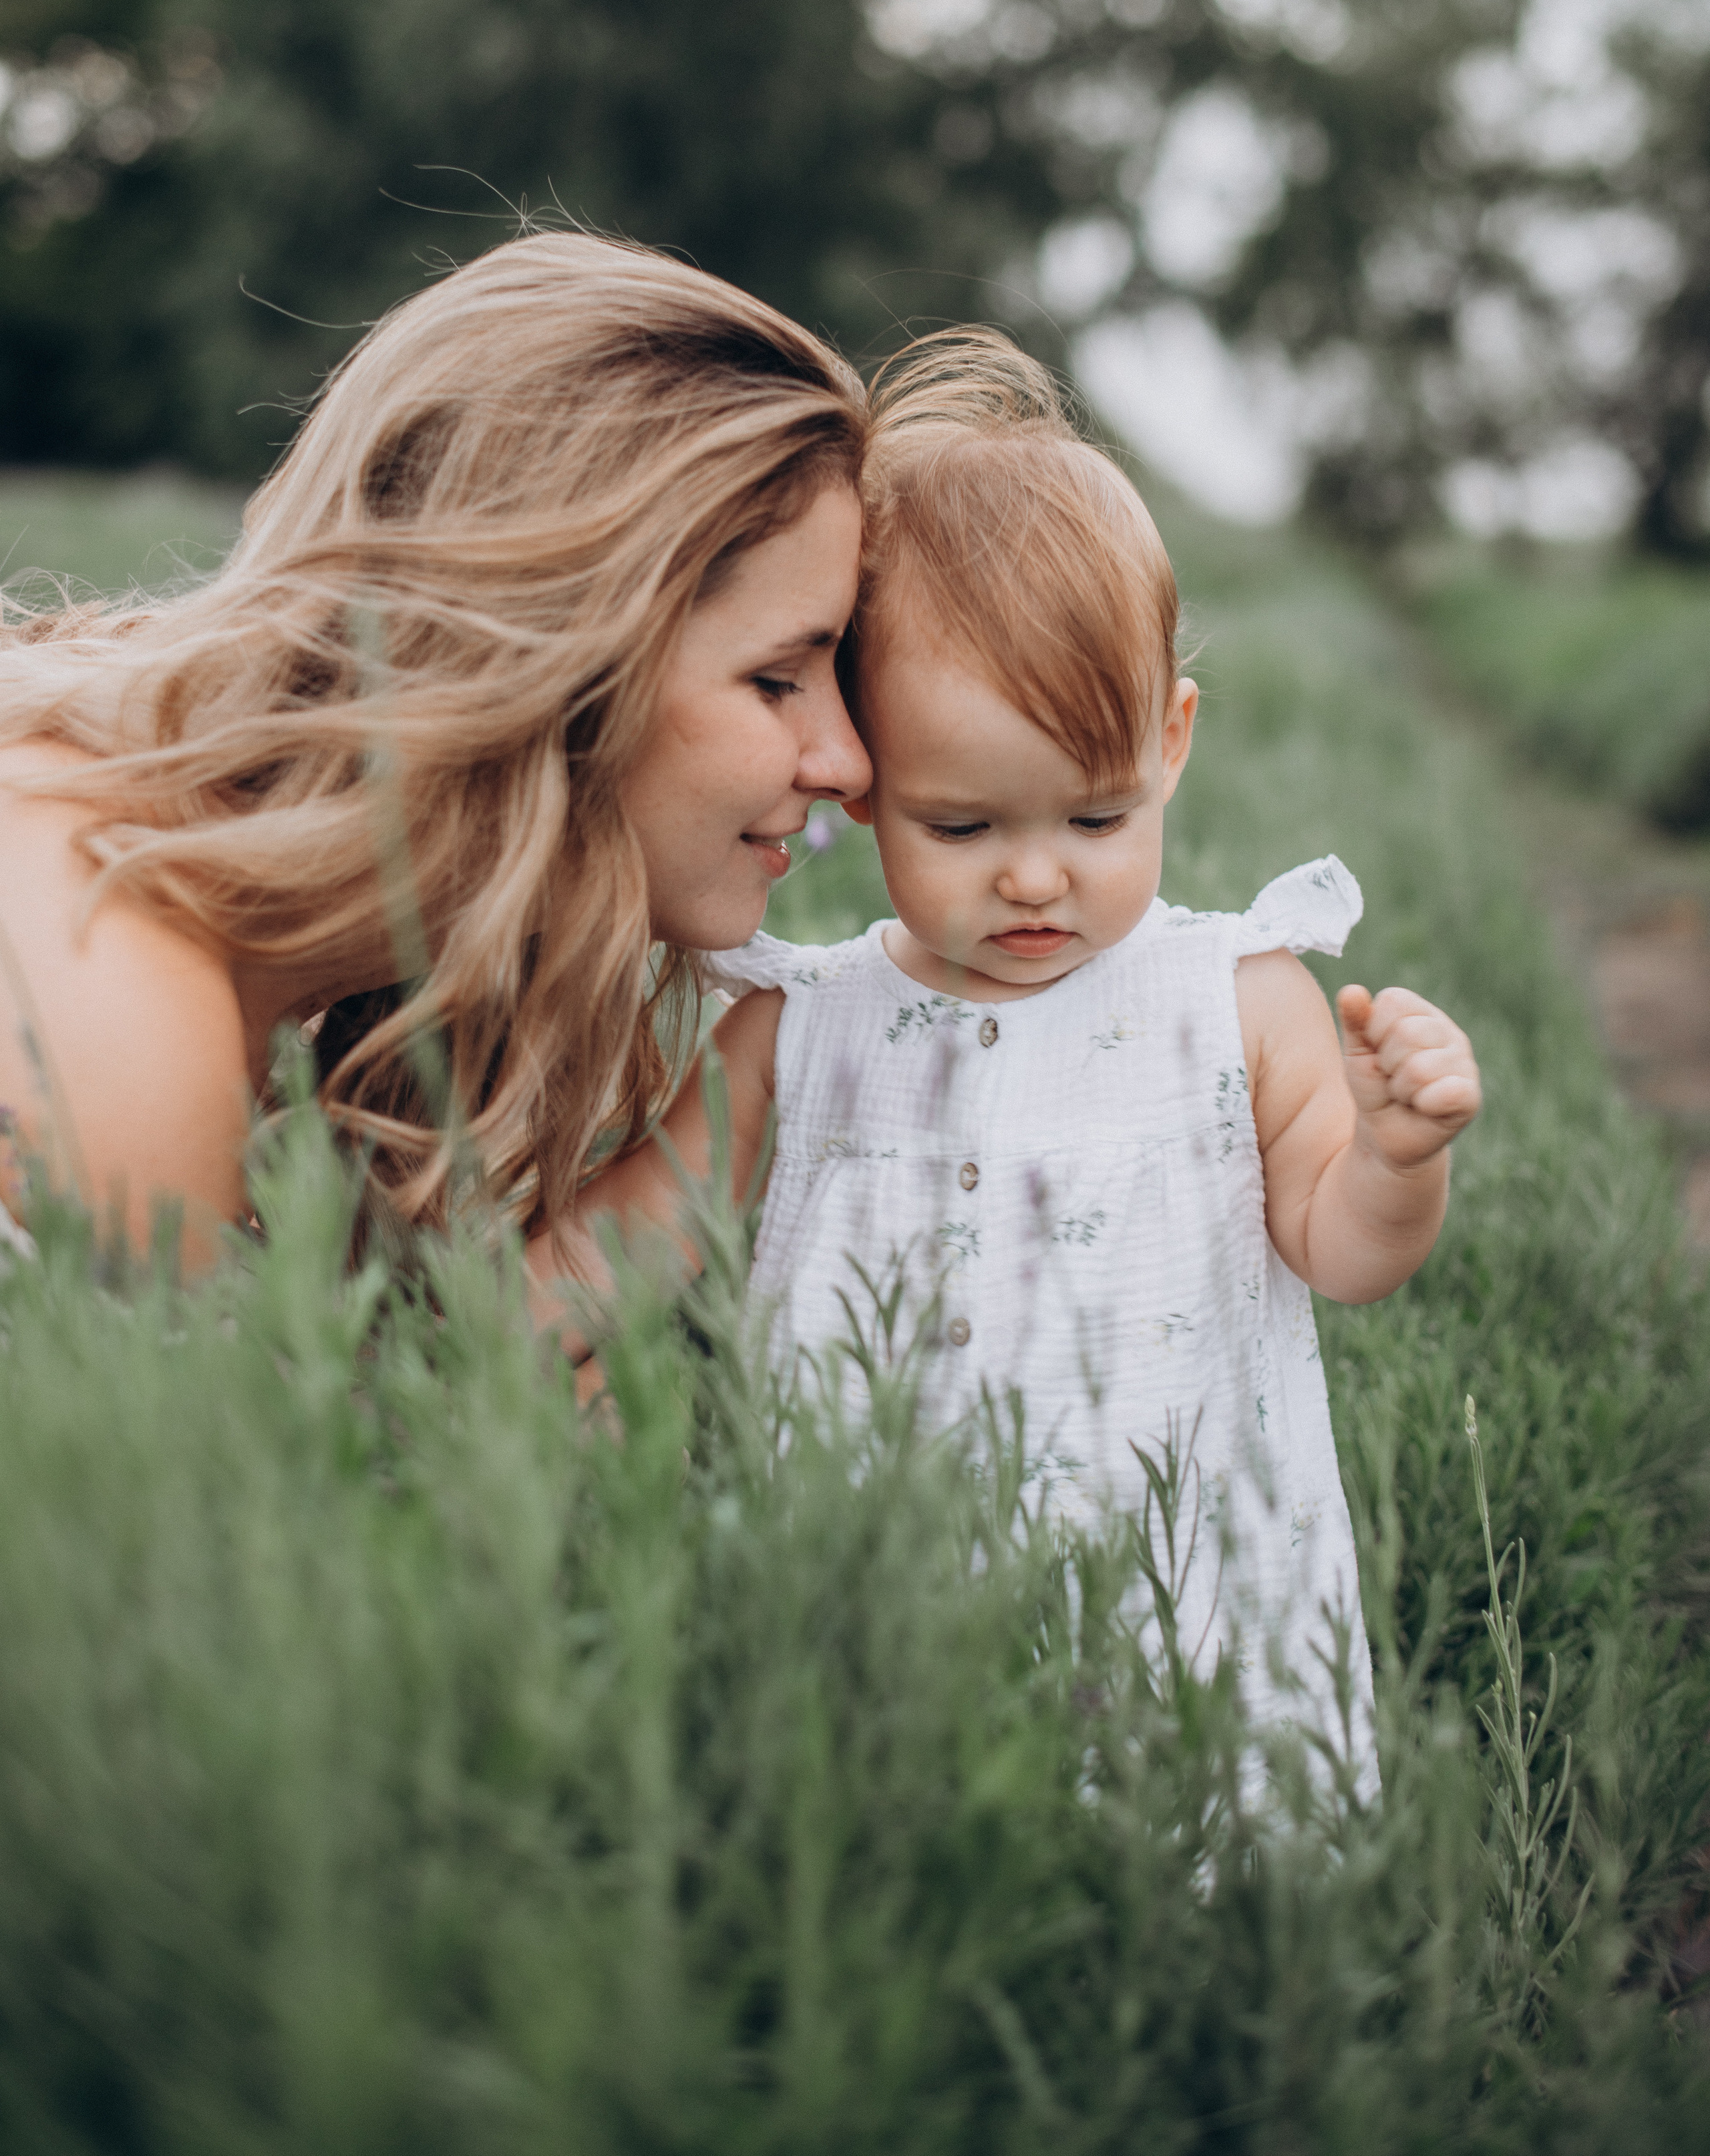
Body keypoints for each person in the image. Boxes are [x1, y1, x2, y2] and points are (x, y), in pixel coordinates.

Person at [572, 331, 1483, 1757]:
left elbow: (1344, 1248)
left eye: (1095, 817)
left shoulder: (1233, 1002)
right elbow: (618, 1247)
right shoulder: (798, 1031)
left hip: (1183, 1611)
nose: (1036, 879)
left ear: (1170, 739)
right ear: (865, 777)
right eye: (962, 827)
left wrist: (1395, 1154)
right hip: (871, 1615)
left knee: (1183, 1891)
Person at [0, 232, 874, 1287]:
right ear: (547, 667)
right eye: (778, 680)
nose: (849, 764)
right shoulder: (120, 1025)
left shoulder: (246, 946)